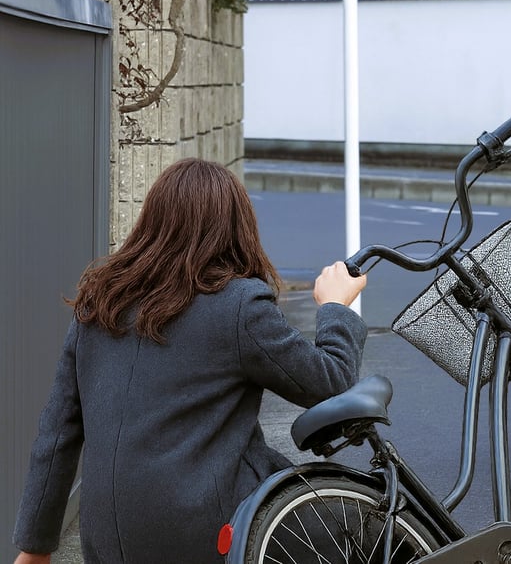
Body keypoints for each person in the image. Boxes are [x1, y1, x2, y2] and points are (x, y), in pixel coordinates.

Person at [11, 158, 368, 563]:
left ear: (151, 223)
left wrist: (34, 547)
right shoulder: (239, 305)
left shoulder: (99, 301)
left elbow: (58, 431)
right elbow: (329, 382)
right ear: (236, 227)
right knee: (352, 531)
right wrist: (335, 305)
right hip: (205, 529)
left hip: (108, 537)